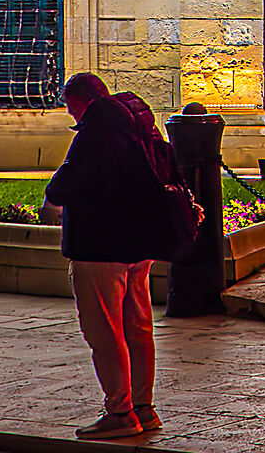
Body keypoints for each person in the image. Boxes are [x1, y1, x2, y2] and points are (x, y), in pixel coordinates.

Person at [44, 72, 179, 441]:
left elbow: (66, 183)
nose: (71, 117)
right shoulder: (139, 124)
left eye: (70, 106)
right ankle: (144, 407)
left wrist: (51, 196)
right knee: (138, 328)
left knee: (105, 331)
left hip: (99, 247)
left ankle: (120, 412)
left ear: (80, 100)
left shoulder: (97, 131)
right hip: (137, 245)